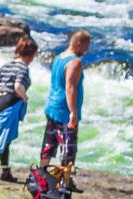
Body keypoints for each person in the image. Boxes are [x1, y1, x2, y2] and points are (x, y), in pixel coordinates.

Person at [0, 36, 39, 182]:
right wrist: (24, 97)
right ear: (31, 53)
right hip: (9, 104)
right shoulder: (23, 68)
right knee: (5, 139)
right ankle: (5, 171)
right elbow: (18, 86)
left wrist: (2, 89)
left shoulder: (7, 64)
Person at [41, 30, 91, 176]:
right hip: (64, 110)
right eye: (86, 46)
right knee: (68, 149)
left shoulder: (59, 58)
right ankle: (64, 184)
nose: (87, 50)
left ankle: (42, 176)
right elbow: (70, 88)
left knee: (48, 145)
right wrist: (73, 113)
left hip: (52, 106)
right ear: (78, 43)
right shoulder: (74, 62)